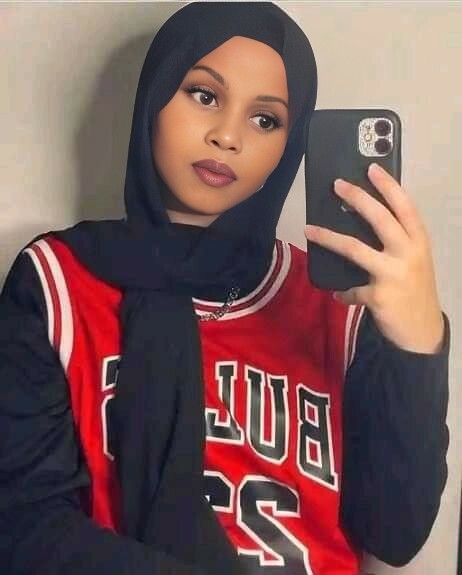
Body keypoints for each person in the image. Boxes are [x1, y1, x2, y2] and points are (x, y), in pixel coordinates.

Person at [0, 2, 451, 575]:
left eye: (265, 120)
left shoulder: (341, 304)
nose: (227, 136)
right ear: (155, 96)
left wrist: (418, 347)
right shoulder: (57, 283)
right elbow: (24, 528)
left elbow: (396, 533)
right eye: (204, 95)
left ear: (288, 146)